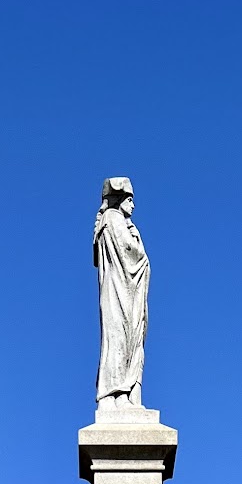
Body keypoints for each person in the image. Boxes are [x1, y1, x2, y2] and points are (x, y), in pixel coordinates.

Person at [93, 176, 149, 410]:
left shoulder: (122, 223)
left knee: (131, 339)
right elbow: (131, 254)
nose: (134, 205)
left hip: (128, 292)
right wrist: (138, 243)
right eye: (130, 199)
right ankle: (114, 394)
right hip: (118, 291)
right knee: (118, 337)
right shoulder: (112, 219)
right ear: (119, 200)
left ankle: (126, 393)